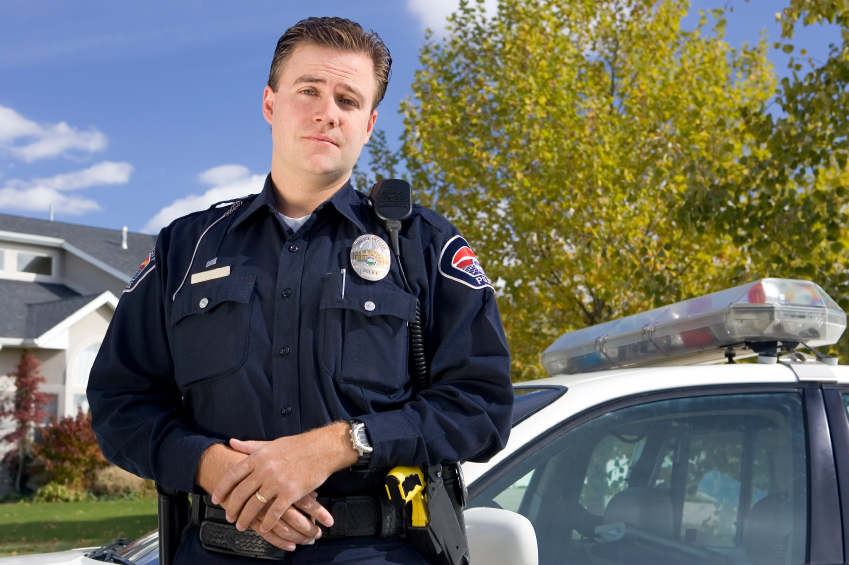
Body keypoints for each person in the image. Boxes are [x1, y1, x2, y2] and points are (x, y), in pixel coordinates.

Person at [88, 16, 513, 565]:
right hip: (218, 548)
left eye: (348, 99)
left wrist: (339, 444)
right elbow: (120, 403)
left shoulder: (422, 247)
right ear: (270, 103)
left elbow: (481, 405)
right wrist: (213, 466)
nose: (326, 111)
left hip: (377, 551)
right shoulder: (185, 248)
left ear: (368, 123)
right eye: (308, 90)